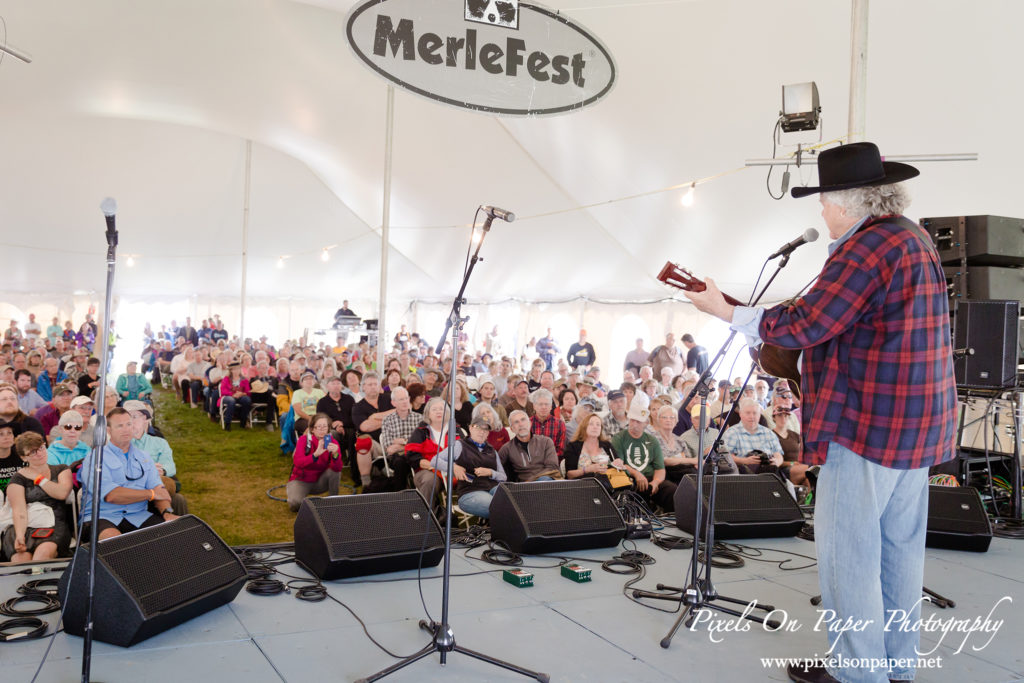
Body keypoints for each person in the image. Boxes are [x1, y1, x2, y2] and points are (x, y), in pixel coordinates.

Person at [685, 142, 956, 683]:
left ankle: (858, 672)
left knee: (849, 553)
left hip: (868, 427)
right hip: (919, 426)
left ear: (849, 203)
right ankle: (896, 666)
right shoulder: (913, 235)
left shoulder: (864, 248)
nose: (822, 212)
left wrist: (726, 311)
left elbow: (808, 323)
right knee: (900, 554)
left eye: (825, 201)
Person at [79, 408, 178, 540]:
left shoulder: (144, 457)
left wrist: (167, 512)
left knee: (171, 535)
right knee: (114, 540)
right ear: (109, 430)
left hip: (138, 515)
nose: (126, 429)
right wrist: (151, 494)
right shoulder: (95, 458)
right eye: (120, 426)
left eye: (129, 424)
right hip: (102, 516)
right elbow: (112, 495)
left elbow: (159, 489)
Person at [1, 431, 74, 562]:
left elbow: (61, 493)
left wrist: (38, 478)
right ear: (24, 457)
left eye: (41, 447)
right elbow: (19, 511)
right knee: (21, 561)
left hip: (53, 524)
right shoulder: (17, 478)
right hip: (23, 524)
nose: (39, 453)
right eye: (33, 452)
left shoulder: (61, 469)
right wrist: (20, 536)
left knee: (41, 558)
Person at [610, 399, 676, 511]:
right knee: (628, 493)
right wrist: (636, 474)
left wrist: (655, 482)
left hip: (650, 478)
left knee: (671, 490)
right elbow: (619, 464)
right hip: (629, 479)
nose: (634, 424)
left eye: (638, 422)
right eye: (632, 421)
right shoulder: (619, 438)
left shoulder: (652, 440)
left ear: (646, 423)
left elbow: (660, 469)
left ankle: (673, 520)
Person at [443, 415, 509, 519]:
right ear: (470, 428)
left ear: (488, 433)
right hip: (470, 491)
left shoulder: (491, 450)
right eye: (478, 427)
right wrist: (454, 466)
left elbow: (503, 477)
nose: (481, 431)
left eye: (485, 429)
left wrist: (490, 472)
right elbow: (436, 460)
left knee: (513, 502)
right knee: (497, 506)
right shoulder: (460, 445)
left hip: (492, 488)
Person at [286, 413, 344, 512]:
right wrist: (315, 455)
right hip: (301, 480)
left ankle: (333, 502)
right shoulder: (303, 440)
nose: (322, 429)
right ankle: (294, 492)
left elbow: (337, 468)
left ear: (328, 428)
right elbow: (298, 462)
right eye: (318, 427)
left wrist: (335, 455)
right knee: (295, 504)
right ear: (312, 429)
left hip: (320, 481)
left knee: (335, 472)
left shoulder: (332, 442)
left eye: (324, 426)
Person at [564, 412, 626, 492]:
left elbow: (616, 461)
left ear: (601, 429)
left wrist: (618, 462)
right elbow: (570, 475)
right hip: (581, 487)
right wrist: (588, 469)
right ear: (584, 427)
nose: (595, 427)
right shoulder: (573, 446)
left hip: (608, 485)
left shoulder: (607, 445)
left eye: (598, 425)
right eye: (591, 424)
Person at [405, 397, 451, 504]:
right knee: (430, 481)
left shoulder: (456, 430)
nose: (439, 411)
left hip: (454, 471)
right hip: (428, 470)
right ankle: (425, 516)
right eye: (434, 409)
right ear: (428, 414)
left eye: (441, 409)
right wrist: (435, 466)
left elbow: (466, 452)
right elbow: (412, 456)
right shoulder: (421, 432)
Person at [500, 410, 560, 482]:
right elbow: (498, 470)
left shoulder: (546, 442)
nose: (521, 424)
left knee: (544, 480)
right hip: (524, 488)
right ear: (512, 429)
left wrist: (532, 481)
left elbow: (552, 467)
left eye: (523, 420)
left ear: (530, 423)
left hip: (547, 482)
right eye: (516, 422)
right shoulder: (507, 448)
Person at [351, 371, 394, 444]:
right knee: (365, 442)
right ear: (363, 387)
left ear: (379, 386)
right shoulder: (358, 407)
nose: (373, 387)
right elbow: (365, 427)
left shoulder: (389, 398)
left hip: (393, 439)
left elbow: (399, 411)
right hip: (373, 443)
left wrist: (375, 416)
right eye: (370, 385)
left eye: (375, 384)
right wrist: (390, 419)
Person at [219, 361, 253, 429]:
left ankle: (243, 421)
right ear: (231, 370)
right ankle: (227, 423)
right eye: (234, 369)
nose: (236, 371)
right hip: (228, 396)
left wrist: (242, 394)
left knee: (247, 400)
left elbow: (248, 391)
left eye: (238, 369)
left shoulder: (244, 379)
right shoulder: (226, 379)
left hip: (241, 396)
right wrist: (232, 394)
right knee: (231, 401)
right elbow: (223, 390)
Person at [291, 370, 325, 435]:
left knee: (324, 426)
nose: (309, 381)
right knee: (312, 427)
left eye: (311, 379)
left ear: (314, 381)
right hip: (302, 419)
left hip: (318, 417)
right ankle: (306, 444)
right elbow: (298, 410)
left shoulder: (320, 392)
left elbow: (327, 404)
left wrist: (318, 418)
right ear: (301, 383)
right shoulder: (297, 393)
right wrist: (310, 418)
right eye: (306, 379)